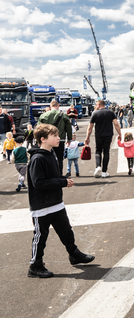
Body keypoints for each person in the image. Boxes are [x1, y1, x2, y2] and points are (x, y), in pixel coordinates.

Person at [27, 123, 95, 278]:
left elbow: (53, 176)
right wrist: (62, 182)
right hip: (41, 206)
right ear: (43, 139)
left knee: (66, 231)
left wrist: (63, 179)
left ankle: (74, 254)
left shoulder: (51, 154)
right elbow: (39, 182)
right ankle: (35, 266)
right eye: (55, 136)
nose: (59, 138)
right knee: (40, 237)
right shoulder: (37, 158)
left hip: (56, 203)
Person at [85, 100, 121, 178]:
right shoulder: (110, 112)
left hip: (99, 135)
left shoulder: (95, 113)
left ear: (98, 105)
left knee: (98, 150)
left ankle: (98, 167)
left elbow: (90, 127)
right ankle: (104, 172)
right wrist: (120, 134)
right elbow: (116, 124)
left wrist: (87, 137)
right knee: (106, 152)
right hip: (108, 135)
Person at [37, 100, 73, 176]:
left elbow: (38, 129)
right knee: (59, 159)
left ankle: (49, 175)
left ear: (50, 106)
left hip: (46, 141)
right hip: (59, 140)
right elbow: (68, 128)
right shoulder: (64, 115)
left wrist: (38, 140)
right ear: (58, 106)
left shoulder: (43, 115)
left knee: (46, 158)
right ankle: (59, 175)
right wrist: (69, 139)